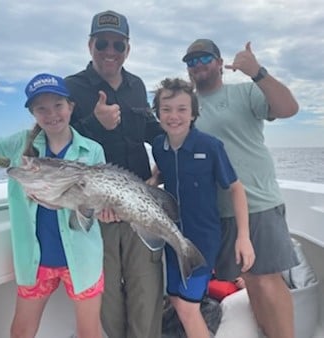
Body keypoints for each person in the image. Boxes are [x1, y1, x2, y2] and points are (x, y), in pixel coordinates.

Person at [0, 73, 106, 338]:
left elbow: (96, 203)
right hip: (36, 262)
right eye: (41, 108)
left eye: (58, 105)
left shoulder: (92, 151)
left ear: (70, 106)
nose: (51, 114)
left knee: (89, 333)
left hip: (82, 260)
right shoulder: (21, 144)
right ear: (33, 113)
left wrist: (106, 210)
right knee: (21, 331)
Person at [182, 38, 300, 338]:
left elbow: (288, 108)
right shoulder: (187, 109)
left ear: (220, 63)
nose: (198, 65)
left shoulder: (245, 91)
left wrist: (257, 71)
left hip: (257, 202)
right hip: (219, 212)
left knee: (267, 280)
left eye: (204, 58)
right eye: (191, 61)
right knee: (251, 281)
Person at [64, 10, 164, 338]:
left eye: (117, 45)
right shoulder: (71, 88)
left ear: (128, 49)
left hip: (138, 204)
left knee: (146, 292)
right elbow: (58, 144)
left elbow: (152, 131)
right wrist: (96, 124)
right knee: (105, 297)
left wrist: (179, 147)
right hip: (95, 211)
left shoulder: (137, 86)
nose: (110, 51)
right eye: (102, 43)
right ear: (90, 45)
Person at [151, 78, 255, 338]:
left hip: (202, 242)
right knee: (175, 298)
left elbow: (236, 189)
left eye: (182, 109)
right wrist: (150, 182)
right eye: (166, 109)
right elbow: (163, 171)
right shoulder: (158, 146)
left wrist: (244, 237)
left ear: (194, 113)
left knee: (187, 307)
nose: (174, 116)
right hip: (171, 239)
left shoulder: (210, 146)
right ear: (157, 113)